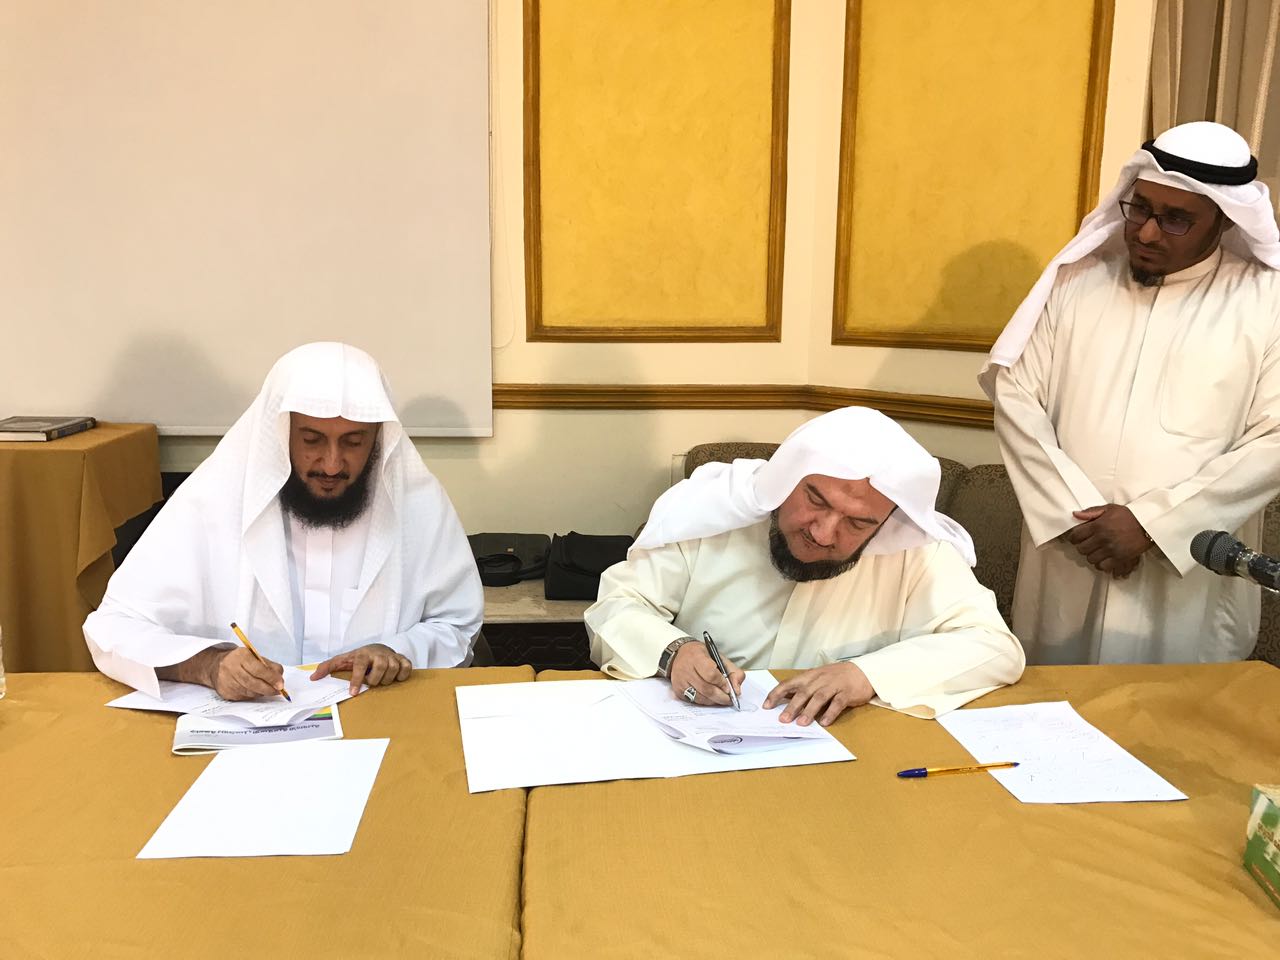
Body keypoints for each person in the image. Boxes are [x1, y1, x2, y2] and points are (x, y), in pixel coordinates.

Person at [986, 121, 1280, 664]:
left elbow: (1273, 441)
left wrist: (1153, 525)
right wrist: (1076, 516)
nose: (1145, 233)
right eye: (1139, 209)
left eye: (1175, 220)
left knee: (1173, 710)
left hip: (1183, 570)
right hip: (1071, 555)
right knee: (1057, 703)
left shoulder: (1266, 301)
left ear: (1224, 219)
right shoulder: (1076, 283)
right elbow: (1017, 398)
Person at [84, 342, 483, 699]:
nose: (332, 464)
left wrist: (398, 652)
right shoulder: (211, 501)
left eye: (353, 442)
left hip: (379, 717)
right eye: (311, 440)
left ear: (378, 439)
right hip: (248, 730)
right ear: (280, 433)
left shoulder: (416, 503)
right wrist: (208, 665)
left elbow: (457, 624)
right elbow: (113, 627)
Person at [586, 407, 1025, 724]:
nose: (824, 533)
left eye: (857, 523)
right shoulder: (712, 511)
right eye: (815, 499)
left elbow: (995, 646)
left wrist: (866, 675)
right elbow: (616, 607)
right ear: (787, 476)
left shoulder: (915, 548)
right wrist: (674, 653)